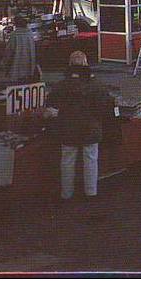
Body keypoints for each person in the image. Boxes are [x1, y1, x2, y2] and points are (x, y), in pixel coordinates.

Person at [46, 51, 114, 203]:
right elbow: (105, 105)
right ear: (86, 64)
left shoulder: (61, 85)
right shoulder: (96, 85)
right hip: (90, 128)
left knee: (67, 161)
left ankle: (66, 194)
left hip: (68, 127)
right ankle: (91, 193)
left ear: (69, 65)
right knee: (90, 159)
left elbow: (50, 105)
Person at [0, 16, 39, 85]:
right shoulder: (30, 34)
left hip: (16, 69)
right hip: (29, 69)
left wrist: (3, 64)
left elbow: (8, 52)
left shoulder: (14, 35)